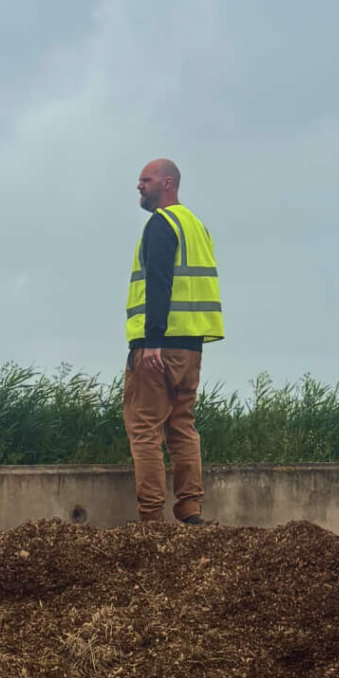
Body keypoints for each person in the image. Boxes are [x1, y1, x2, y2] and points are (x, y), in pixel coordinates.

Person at [123, 158, 222, 527]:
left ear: (167, 183)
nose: (139, 186)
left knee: (145, 428)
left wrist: (151, 342)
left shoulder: (161, 225)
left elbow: (159, 283)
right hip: (191, 346)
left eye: (145, 180)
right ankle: (190, 510)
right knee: (182, 425)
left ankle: (151, 518)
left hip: (158, 347)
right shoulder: (197, 227)